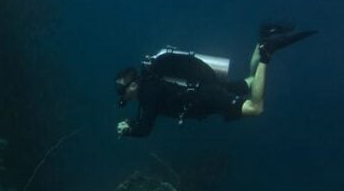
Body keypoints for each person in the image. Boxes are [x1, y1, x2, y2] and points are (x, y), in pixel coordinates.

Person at [115, 23, 316, 137]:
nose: (121, 94)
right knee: (253, 80)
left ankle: (267, 52)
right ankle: (264, 38)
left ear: (133, 84)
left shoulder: (147, 93)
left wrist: (128, 130)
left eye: (121, 89)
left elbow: (145, 128)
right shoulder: (152, 81)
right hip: (207, 89)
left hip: (208, 96)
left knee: (255, 108)